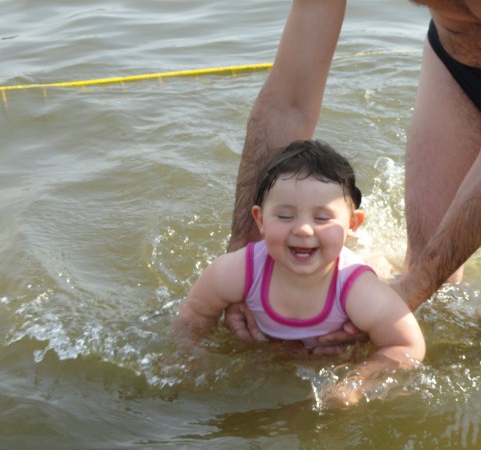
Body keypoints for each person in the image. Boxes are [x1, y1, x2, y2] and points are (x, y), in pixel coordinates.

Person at [224, 0, 481, 351]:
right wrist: (242, 260)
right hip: (456, 55)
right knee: (426, 267)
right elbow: (288, 103)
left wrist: (410, 290)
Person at [172, 140, 425, 404]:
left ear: (352, 224)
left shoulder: (358, 290)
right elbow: (195, 312)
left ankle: (379, 260)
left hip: (354, 287)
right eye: (284, 216)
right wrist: (193, 360)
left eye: (322, 218)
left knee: (382, 271)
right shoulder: (239, 271)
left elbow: (406, 345)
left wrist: (355, 383)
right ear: (260, 220)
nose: (303, 229)